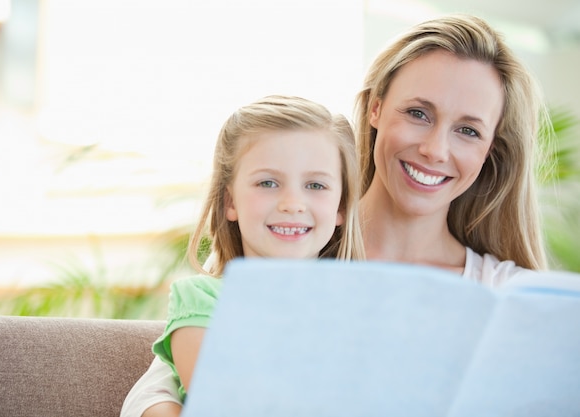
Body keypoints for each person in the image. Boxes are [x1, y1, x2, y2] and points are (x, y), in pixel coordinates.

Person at [121, 13, 549, 417]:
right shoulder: (293, 242)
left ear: (491, 148)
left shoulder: (510, 298)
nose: (436, 150)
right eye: (418, 113)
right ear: (376, 108)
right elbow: (161, 388)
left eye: (469, 130)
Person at [121, 94, 366, 415]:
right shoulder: (201, 299)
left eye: (316, 186)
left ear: (342, 206)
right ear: (230, 203)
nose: (292, 203)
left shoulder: (360, 306)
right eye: (268, 182)